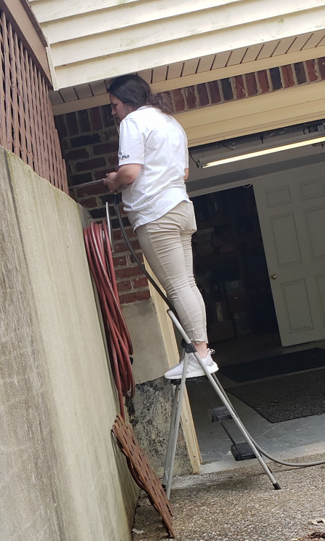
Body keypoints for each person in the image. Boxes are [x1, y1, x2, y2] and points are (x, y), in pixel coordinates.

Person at [104, 74, 218, 380]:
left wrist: (114, 181)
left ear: (127, 101)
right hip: (180, 208)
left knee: (178, 286)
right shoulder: (171, 123)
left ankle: (201, 355)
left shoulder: (133, 122)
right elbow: (182, 172)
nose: (113, 112)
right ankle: (202, 351)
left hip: (156, 215)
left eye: (114, 105)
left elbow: (129, 172)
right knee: (187, 283)